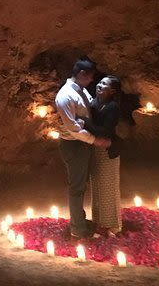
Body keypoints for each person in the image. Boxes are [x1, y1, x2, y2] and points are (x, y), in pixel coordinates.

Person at [54, 59, 111, 239]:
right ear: (82, 75)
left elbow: (86, 112)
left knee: (81, 184)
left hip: (82, 144)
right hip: (74, 145)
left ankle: (80, 220)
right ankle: (77, 229)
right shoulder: (65, 96)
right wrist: (95, 140)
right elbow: (73, 127)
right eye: (91, 77)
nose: (93, 81)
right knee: (77, 187)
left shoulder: (81, 89)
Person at [85, 75, 123, 235]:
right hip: (95, 148)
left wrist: (84, 123)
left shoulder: (113, 107)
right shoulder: (94, 103)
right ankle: (98, 220)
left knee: (107, 186)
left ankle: (110, 224)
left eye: (104, 84)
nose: (100, 85)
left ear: (112, 91)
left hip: (108, 150)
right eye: (100, 82)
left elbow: (106, 131)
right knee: (97, 186)